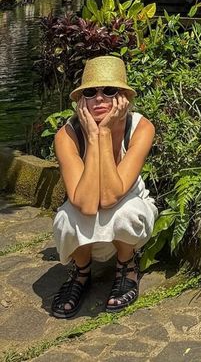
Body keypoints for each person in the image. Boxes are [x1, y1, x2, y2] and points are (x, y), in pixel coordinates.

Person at [51, 56, 157, 318]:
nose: (99, 98)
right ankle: (81, 272)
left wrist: (106, 131)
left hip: (127, 206)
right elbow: (86, 203)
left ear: (123, 98)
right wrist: (94, 136)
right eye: (90, 92)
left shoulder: (141, 128)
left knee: (125, 213)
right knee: (66, 219)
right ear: (81, 101)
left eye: (109, 91)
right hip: (88, 210)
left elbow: (110, 197)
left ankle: (126, 266)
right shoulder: (68, 135)